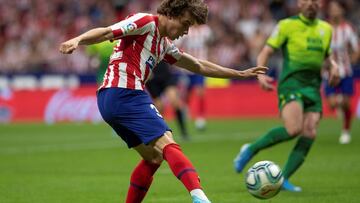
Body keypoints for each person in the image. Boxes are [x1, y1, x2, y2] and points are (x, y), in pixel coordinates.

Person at [59, 0, 267, 202]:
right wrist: (77, 40)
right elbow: (106, 32)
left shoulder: (164, 45)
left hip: (110, 99)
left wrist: (239, 74)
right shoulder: (145, 22)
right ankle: (199, 197)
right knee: (168, 143)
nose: (186, 31)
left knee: (154, 158)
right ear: (171, 14)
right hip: (124, 91)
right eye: (185, 24)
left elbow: (198, 65)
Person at [233, 0, 339, 192]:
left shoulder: (326, 29)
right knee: (293, 129)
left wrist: (333, 66)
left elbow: (328, 55)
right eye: (307, 1)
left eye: (315, 1)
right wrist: (261, 74)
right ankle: (250, 149)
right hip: (291, 84)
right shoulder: (286, 25)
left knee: (310, 132)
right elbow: (266, 51)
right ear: (299, 4)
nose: (311, 4)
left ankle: (282, 179)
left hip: (313, 87)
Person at [324, 0, 359, 144]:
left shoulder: (347, 29)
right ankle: (337, 102)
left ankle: (346, 131)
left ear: (342, 11)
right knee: (332, 104)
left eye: (337, 9)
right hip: (329, 72)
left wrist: (351, 60)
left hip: (345, 71)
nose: (334, 11)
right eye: (332, 9)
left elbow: (356, 49)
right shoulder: (324, 28)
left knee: (346, 103)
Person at [175, 24, 213, 131]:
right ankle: (186, 110)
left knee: (200, 91)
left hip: (201, 66)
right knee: (187, 93)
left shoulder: (206, 30)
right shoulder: (187, 31)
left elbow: (210, 46)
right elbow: (177, 45)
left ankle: (200, 118)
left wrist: (210, 57)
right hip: (187, 67)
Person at [146, 61, 190, 140]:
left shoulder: (162, 48)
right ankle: (159, 134)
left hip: (166, 75)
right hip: (152, 79)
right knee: (159, 108)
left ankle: (184, 132)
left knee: (175, 101)